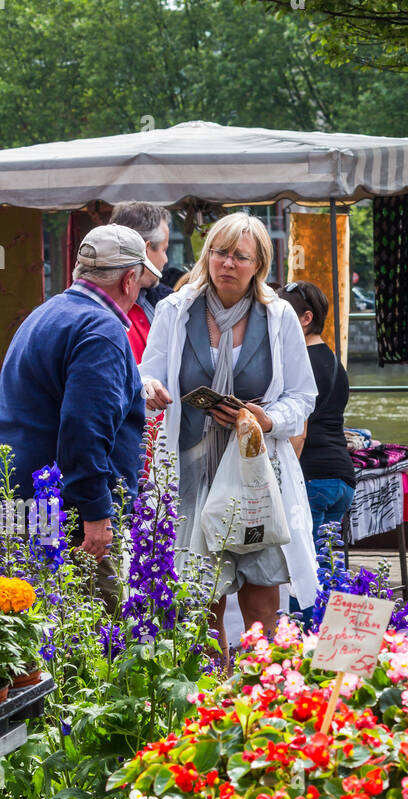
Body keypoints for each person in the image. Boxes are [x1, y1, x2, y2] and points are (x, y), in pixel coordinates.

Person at [140, 212, 317, 657]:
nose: (227, 264)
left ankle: (264, 692)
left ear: (259, 264)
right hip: (192, 470)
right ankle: (213, 699)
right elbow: (148, 375)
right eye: (220, 252)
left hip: (257, 472)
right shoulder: (175, 310)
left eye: (240, 256)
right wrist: (152, 389)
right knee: (201, 596)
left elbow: (303, 396)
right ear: (207, 256)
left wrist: (266, 419)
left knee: (261, 590)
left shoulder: (277, 316)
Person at [0, 224, 159, 565]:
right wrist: (97, 511)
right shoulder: (100, 329)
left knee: (31, 611)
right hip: (65, 515)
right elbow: (84, 430)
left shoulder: (46, 314)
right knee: (92, 614)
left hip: (24, 501)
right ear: (129, 279)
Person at [278, 281, 356, 544]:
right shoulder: (334, 362)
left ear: (306, 318)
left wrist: (283, 482)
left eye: (283, 315)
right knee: (330, 566)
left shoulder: (301, 364)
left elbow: (299, 432)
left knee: (307, 568)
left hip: (312, 478)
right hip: (342, 478)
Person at [108, 202, 173, 363]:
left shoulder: (166, 300)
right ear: (144, 249)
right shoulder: (109, 310)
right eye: (164, 250)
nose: (166, 260)